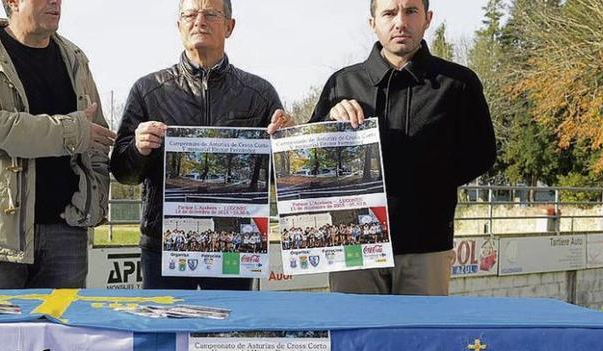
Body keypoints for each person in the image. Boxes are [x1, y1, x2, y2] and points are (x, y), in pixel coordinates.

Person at [310, 0, 496, 295]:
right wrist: (329, 120)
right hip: (353, 249)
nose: (400, 22)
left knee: (421, 339)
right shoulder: (342, 84)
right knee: (357, 338)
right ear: (372, 23)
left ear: (428, 19)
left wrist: (425, 181)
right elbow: (310, 157)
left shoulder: (458, 84)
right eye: (388, 13)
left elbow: (482, 154)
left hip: (426, 247)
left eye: (410, 11)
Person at [110, 0, 290, 290]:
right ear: (179, 25)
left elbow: (277, 178)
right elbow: (122, 173)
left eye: (210, 14)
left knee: (226, 333)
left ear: (229, 26)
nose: (199, 21)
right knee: (165, 332)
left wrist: (286, 146)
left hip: (234, 243)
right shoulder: (148, 90)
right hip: (163, 246)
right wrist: (137, 149)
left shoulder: (259, 94)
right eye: (190, 14)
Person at [0, 0, 115, 290]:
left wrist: (94, 201)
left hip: (66, 231)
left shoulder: (75, 59)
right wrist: (71, 131)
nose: (56, 2)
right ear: (13, 2)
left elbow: (97, 138)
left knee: (63, 333)